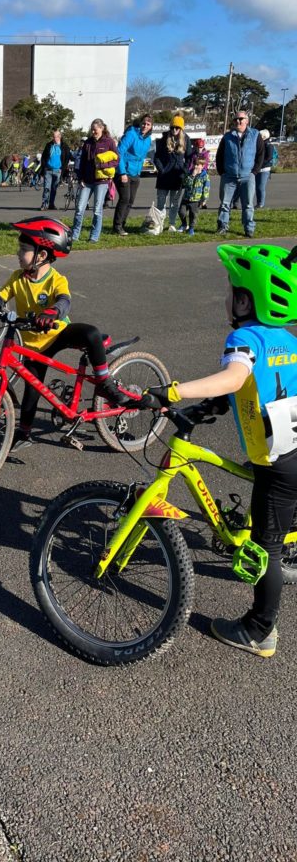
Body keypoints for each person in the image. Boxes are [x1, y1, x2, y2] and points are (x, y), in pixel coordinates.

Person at [139, 243, 297, 658]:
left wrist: (173, 391)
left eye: (231, 290)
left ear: (246, 299)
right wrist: (208, 407)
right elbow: (254, 387)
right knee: (260, 495)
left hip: (282, 463)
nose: (227, 298)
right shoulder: (285, 338)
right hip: (286, 448)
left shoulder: (244, 337)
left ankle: (260, 630)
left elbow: (233, 378)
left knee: (267, 548)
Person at [0, 216, 131, 449]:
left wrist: (52, 313)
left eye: (23, 249)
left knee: (91, 333)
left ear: (41, 255)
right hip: (33, 343)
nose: (17, 253)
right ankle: (23, 434)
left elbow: (64, 301)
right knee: (32, 387)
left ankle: (105, 382)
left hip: (57, 333)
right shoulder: (17, 278)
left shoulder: (56, 280)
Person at [215, 110, 264, 238]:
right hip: (229, 176)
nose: (238, 121)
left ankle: (249, 228)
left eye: (241, 119)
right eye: (236, 119)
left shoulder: (255, 135)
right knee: (225, 204)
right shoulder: (227, 136)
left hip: (248, 176)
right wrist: (223, 172)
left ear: (247, 121)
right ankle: (222, 226)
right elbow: (219, 156)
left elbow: (260, 155)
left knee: (247, 204)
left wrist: (254, 172)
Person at [71, 119, 119, 243]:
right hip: (86, 181)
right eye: (92, 129)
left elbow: (117, 159)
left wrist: (103, 166)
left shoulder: (109, 142)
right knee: (79, 208)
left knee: (97, 209)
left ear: (102, 128)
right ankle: (74, 235)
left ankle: (94, 236)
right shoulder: (87, 142)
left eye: (95, 129)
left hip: (101, 181)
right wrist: (80, 177)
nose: (93, 132)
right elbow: (81, 162)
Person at [113, 114, 153, 236]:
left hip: (135, 173)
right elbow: (119, 152)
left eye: (148, 124)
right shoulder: (131, 134)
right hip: (123, 172)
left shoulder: (148, 139)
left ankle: (122, 225)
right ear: (140, 123)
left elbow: (141, 157)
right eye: (143, 123)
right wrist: (122, 172)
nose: (145, 126)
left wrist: (139, 171)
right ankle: (117, 226)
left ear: (151, 126)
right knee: (124, 198)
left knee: (130, 201)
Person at [153, 115, 192, 233]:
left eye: (177, 128)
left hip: (178, 176)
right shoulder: (164, 138)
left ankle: (172, 224)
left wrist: (185, 170)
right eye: (173, 127)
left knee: (174, 203)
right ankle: (159, 225)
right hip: (164, 176)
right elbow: (157, 157)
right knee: (161, 202)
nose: (174, 130)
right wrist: (161, 169)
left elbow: (189, 158)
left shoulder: (186, 139)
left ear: (181, 129)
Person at [178, 138, 210, 236]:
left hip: (196, 199)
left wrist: (204, 199)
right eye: (195, 165)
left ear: (202, 166)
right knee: (181, 212)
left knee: (193, 214)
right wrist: (192, 175)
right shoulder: (190, 174)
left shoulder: (204, 176)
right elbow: (186, 183)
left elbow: (206, 188)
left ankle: (191, 228)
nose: (196, 167)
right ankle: (184, 224)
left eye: (199, 165)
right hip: (186, 197)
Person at [41, 130, 73, 210]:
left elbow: (68, 157)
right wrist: (44, 167)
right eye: (54, 137)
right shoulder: (49, 145)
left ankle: (51, 204)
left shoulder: (64, 146)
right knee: (46, 188)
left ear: (60, 137)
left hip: (58, 170)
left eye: (56, 137)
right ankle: (44, 204)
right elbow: (43, 157)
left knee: (54, 188)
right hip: (48, 170)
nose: (54, 138)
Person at [255, 129, 275, 208]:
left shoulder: (269, 145)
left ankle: (260, 204)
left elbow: (269, 158)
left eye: (259, 136)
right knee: (257, 187)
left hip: (264, 169)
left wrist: (260, 164)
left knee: (260, 187)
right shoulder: (260, 145)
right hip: (258, 169)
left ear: (264, 136)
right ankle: (258, 203)